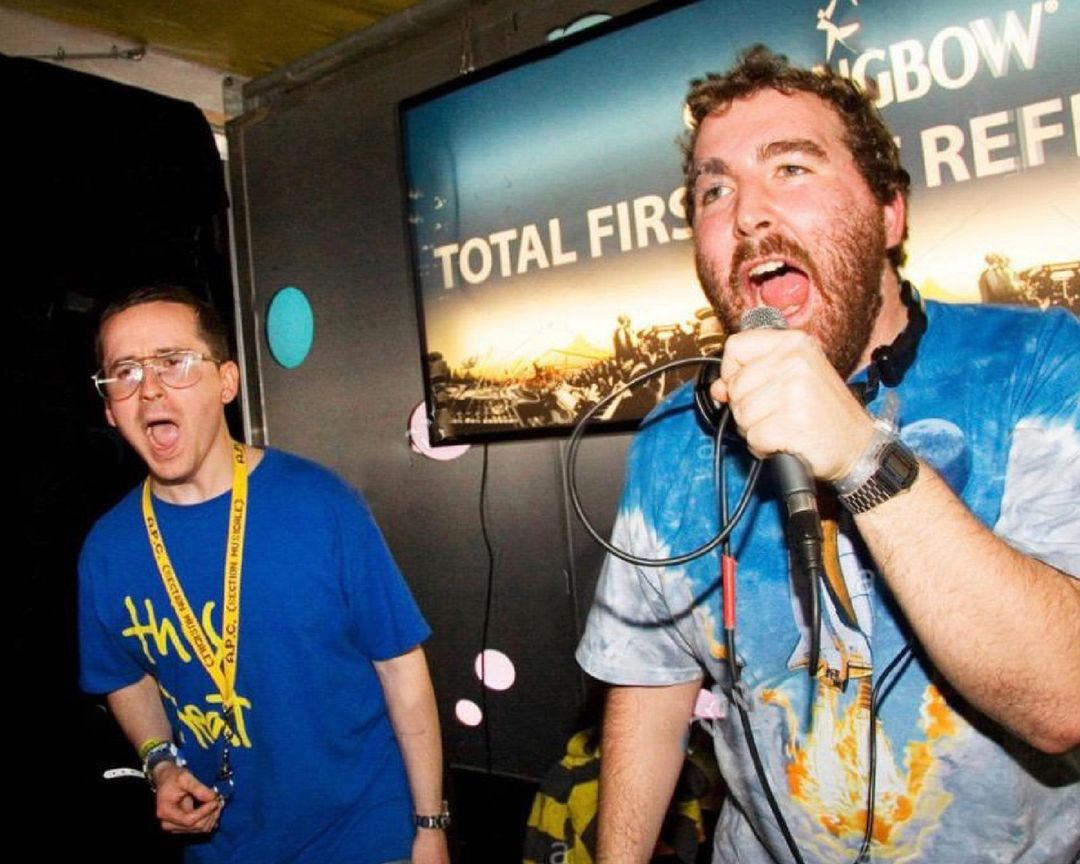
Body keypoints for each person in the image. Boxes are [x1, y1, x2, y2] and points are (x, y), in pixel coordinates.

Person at [576, 45, 1079, 863]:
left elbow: (1066, 700)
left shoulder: (1038, 366)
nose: (748, 214)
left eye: (791, 168)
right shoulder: (675, 439)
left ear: (890, 214)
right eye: (714, 190)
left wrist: (857, 452)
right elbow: (649, 687)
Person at [79, 286, 451, 864]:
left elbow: (401, 670)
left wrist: (429, 826)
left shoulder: (321, 504)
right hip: (222, 846)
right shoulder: (107, 550)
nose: (148, 387)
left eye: (173, 362)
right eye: (124, 372)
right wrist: (160, 763)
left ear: (226, 382)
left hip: (363, 834)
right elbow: (123, 675)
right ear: (109, 408)